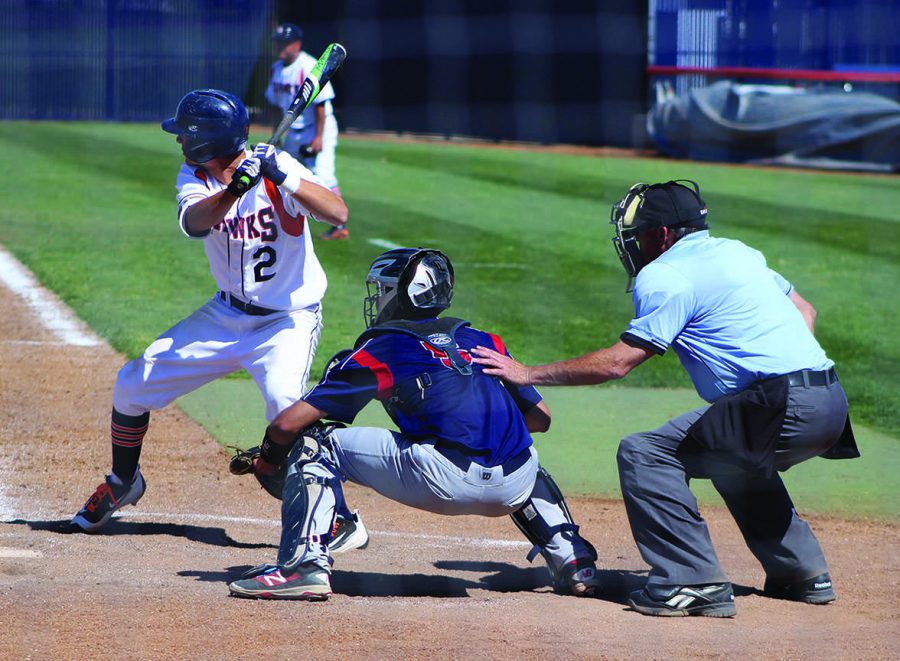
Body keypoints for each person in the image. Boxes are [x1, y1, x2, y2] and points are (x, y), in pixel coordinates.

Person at [472, 180, 858, 618]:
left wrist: (527, 373)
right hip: (830, 399)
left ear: (662, 235)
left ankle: (692, 582)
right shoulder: (737, 251)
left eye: (637, 235)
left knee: (645, 454)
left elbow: (618, 363)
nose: (633, 245)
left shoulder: (665, 274)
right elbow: (805, 310)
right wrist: (790, 367)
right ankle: (803, 574)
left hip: (781, 404)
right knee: (731, 452)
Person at [71, 89, 364, 553]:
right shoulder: (196, 174)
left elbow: (338, 211)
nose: (177, 142)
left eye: (184, 134)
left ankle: (339, 518)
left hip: (286, 321)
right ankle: (124, 481)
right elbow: (195, 223)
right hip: (225, 314)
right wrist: (234, 189)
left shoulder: (278, 165)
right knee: (132, 383)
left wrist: (281, 177)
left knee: (287, 405)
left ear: (205, 139)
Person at [226, 248, 601, 600]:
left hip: (444, 481)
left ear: (403, 295)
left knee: (316, 443)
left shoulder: (382, 348)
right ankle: (573, 559)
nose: (378, 299)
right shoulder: (483, 339)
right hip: (515, 488)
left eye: (384, 290)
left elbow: (288, 423)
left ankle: (302, 567)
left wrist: (271, 457)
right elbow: (540, 419)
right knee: (517, 449)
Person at [266, 23, 347, 241]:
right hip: (293, 129)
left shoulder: (310, 66)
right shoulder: (276, 69)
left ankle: (339, 225)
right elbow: (275, 105)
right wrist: (277, 135)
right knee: (289, 173)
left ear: (297, 44)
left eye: (285, 42)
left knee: (322, 173)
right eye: (278, 42)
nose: (280, 46)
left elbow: (321, 104)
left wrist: (319, 137)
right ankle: (287, 218)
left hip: (318, 128)